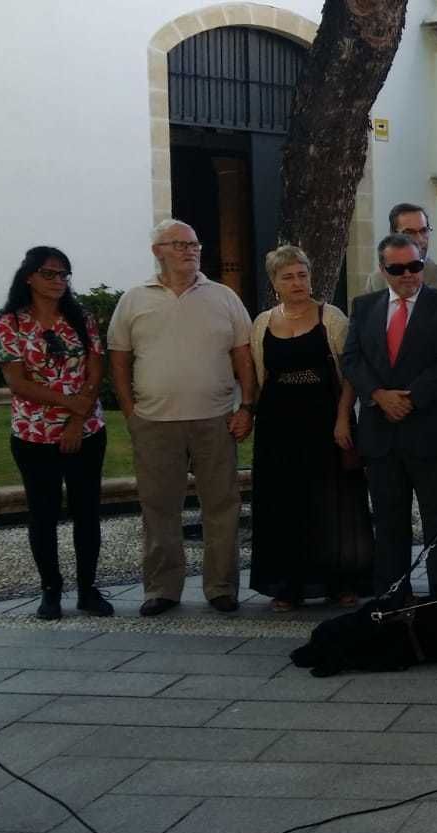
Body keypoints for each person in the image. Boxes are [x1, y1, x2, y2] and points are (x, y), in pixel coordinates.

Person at [108, 219, 255, 616]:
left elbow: (243, 355)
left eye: (194, 244)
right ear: (158, 251)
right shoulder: (134, 299)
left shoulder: (224, 296)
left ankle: (222, 587)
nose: (190, 250)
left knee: (222, 506)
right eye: (179, 244)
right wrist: (129, 410)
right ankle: (162, 589)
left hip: (215, 418)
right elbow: (119, 357)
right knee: (158, 507)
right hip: (154, 421)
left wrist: (247, 407)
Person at [341, 234, 437, 606]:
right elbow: (351, 359)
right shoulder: (365, 306)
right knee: (388, 521)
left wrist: (411, 398)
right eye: (398, 269)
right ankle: (392, 596)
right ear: (383, 270)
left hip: (432, 433)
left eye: (415, 266)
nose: (408, 275)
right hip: (381, 436)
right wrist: (379, 396)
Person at [248, 245, 374, 611]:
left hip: (326, 422)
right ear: (274, 282)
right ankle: (288, 584)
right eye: (288, 276)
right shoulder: (262, 323)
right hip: (278, 426)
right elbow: (261, 376)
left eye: (302, 274)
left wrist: (341, 418)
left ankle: (341, 582)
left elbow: (349, 372)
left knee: (335, 504)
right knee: (283, 504)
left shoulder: (330, 317)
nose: (297, 282)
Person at [0, 247, 114, 620]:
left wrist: (78, 418)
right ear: (29, 276)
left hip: (86, 431)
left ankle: (88, 589)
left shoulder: (82, 319)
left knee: (87, 511)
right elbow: (17, 381)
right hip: (33, 435)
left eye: (64, 275)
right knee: (43, 514)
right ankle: (50, 590)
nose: (59, 281)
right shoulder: (11, 323)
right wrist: (70, 403)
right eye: (50, 274)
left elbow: (95, 369)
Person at [363, 203, 437, 298]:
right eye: (409, 232)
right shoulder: (376, 282)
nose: (419, 239)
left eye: (423, 231)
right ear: (393, 235)